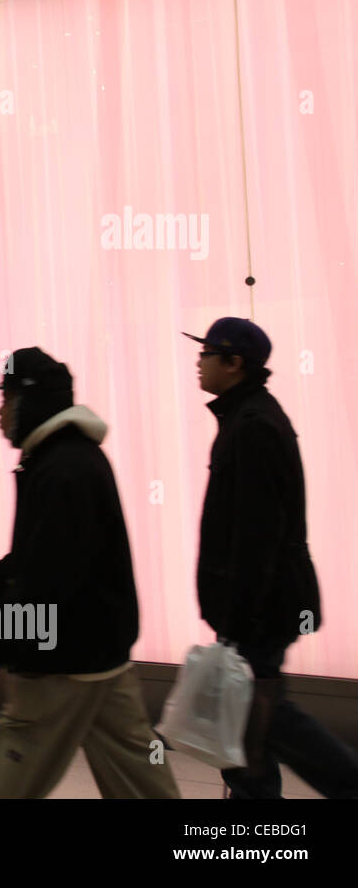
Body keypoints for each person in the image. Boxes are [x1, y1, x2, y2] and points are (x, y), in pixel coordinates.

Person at [0, 347, 179, 798]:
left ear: (30, 401)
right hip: (102, 656)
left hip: (63, 662)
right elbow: (57, 554)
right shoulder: (69, 458)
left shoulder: (61, 469)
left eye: (6, 399)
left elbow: (54, 581)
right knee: (141, 781)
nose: (0, 412)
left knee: (4, 780)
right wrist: (5, 575)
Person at [184, 317, 358, 798]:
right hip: (260, 603)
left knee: (265, 713)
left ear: (234, 363)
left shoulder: (254, 426)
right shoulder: (247, 418)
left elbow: (257, 536)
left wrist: (237, 617)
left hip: (261, 607)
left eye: (206, 354)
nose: (198, 363)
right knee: (250, 725)